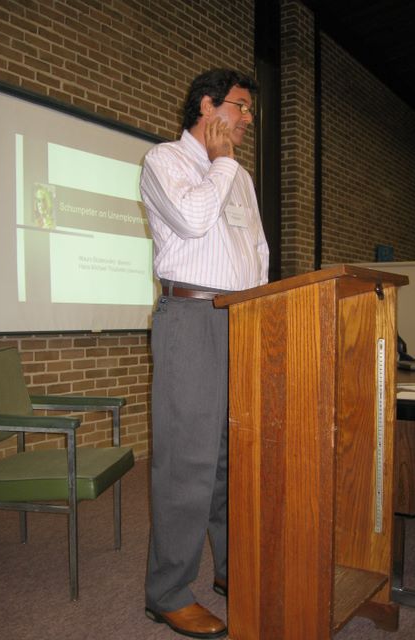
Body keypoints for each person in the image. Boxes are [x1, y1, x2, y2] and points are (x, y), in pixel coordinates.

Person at [139, 68, 269, 639]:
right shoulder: (164, 160)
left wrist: (263, 314)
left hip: (242, 320)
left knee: (231, 456)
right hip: (191, 319)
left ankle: (231, 569)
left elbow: (257, 250)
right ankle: (167, 592)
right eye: (240, 107)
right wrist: (220, 163)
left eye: (250, 110)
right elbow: (193, 220)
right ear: (207, 106)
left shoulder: (240, 176)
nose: (247, 119)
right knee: (186, 461)